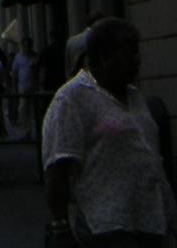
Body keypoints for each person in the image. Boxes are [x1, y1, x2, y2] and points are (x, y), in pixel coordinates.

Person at [42, 18, 177, 247]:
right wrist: (60, 226)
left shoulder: (134, 96)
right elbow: (57, 168)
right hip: (106, 224)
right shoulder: (72, 98)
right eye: (128, 54)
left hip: (153, 219)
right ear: (104, 57)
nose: (137, 61)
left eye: (137, 53)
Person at [12, 36, 41, 138]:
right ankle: (27, 131)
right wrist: (14, 87)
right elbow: (14, 73)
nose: (27, 47)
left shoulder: (36, 57)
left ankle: (37, 131)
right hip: (22, 87)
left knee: (34, 110)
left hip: (34, 87)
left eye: (29, 45)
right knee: (23, 109)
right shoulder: (18, 57)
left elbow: (39, 71)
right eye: (25, 45)